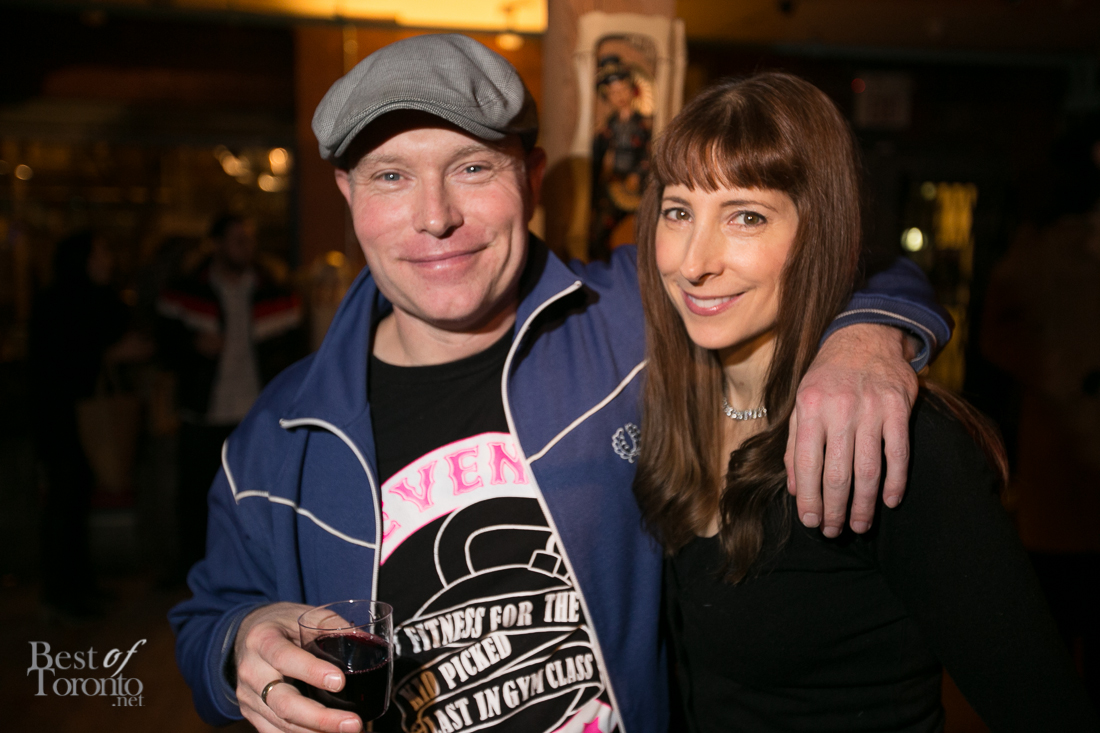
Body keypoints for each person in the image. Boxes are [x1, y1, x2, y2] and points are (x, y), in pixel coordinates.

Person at [170, 36, 952, 733]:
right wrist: (237, 641)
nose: (435, 216)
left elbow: (827, 261)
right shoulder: (277, 438)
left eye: (473, 167)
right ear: (349, 195)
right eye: (391, 175)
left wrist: (863, 338)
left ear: (532, 177)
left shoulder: (633, 320)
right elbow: (207, 615)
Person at [632, 72, 1100, 731]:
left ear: (820, 234)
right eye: (678, 211)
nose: (693, 262)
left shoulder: (894, 440)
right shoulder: (667, 406)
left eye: (747, 216)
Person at [156, 214, 304, 579]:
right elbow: (162, 346)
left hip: (257, 416)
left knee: (256, 500)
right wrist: (193, 344)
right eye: (238, 239)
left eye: (250, 239)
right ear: (217, 244)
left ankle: (253, 576)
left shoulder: (274, 291)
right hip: (204, 413)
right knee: (196, 499)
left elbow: (297, 351)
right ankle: (195, 576)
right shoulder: (188, 292)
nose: (246, 247)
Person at [29, 231, 130, 621]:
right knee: (64, 505)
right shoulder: (57, 302)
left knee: (76, 503)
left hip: (81, 419)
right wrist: (109, 353)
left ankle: (79, 585)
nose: (108, 260)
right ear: (82, 259)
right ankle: (61, 591)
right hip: (62, 421)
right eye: (101, 253)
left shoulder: (93, 298)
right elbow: (61, 361)